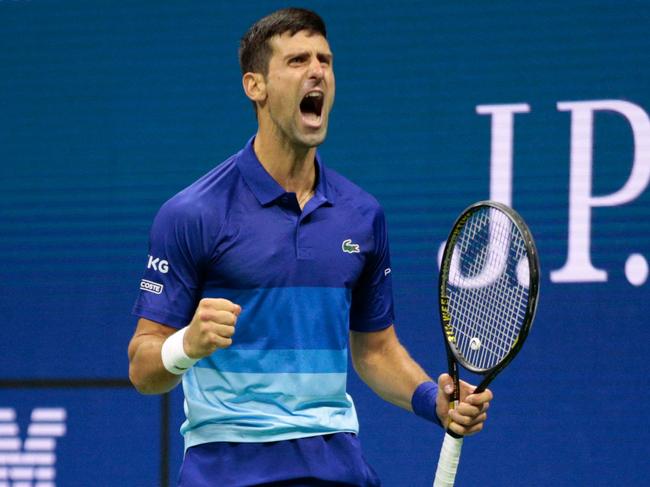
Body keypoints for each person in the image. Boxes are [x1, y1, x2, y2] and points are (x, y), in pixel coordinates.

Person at [128, 8, 492, 487]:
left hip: (335, 467)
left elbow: (376, 351)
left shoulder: (361, 215)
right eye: (297, 60)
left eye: (325, 59)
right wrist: (186, 345)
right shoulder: (193, 214)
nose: (317, 70)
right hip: (227, 471)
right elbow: (142, 366)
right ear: (254, 86)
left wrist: (433, 399)